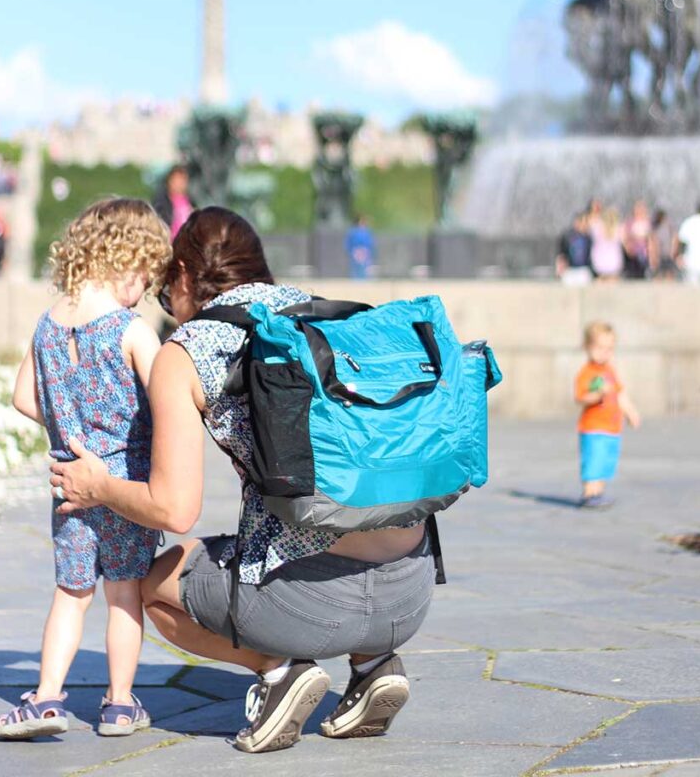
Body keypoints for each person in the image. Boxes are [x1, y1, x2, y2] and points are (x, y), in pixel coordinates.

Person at [50, 207, 433, 754]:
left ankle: (278, 674)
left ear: (183, 277)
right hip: (411, 591)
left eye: (165, 294)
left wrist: (98, 486)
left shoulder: (186, 350)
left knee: (154, 584)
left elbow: (173, 509)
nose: (167, 308)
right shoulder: (319, 312)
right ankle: (373, 665)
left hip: (312, 605)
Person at [0, 198, 171, 740]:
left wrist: (70, 430)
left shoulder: (47, 325)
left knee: (71, 593)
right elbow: (170, 402)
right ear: (128, 260)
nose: (145, 290)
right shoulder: (131, 330)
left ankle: (45, 697)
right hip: (122, 487)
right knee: (124, 593)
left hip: (68, 484)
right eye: (146, 277)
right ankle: (118, 705)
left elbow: (23, 397)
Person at [573, 322, 641, 509]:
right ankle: (589, 493)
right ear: (588, 347)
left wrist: (630, 411)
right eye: (600, 347)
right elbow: (580, 397)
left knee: (606, 462)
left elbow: (620, 394)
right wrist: (597, 395)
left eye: (609, 348)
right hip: (593, 427)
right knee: (593, 460)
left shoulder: (609, 371)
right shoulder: (587, 373)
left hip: (612, 427)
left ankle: (599, 492)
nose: (605, 352)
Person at [153, 165, 195, 240]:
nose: (179, 184)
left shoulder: (191, 201)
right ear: (169, 181)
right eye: (176, 181)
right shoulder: (162, 201)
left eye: (182, 181)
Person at [555, 211, 593, 285]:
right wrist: (559, 268)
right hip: (570, 270)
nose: (584, 225)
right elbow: (561, 254)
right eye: (582, 222)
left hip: (583, 270)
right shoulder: (567, 236)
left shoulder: (588, 238)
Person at [589, 207, 624, 281]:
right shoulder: (618, 229)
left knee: (602, 281)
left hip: (600, 263)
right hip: (613, 263)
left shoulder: (597, 227)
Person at [622, 200, 651, 280]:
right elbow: (625, 237)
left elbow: (651, 239)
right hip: (632, 253)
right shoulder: (629, 222)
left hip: (644, 254)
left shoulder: (648, 222)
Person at [649, 209, 679, 280]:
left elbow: (675, 239)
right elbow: (653, 243)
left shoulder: (668, 228)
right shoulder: (656, 229)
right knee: (659, 276)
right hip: (661, 256)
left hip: (667, 255)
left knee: (668, 275)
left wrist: (674, 252)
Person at [345, 214, 376, 279]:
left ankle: (364, 279)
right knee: (356, 265)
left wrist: (371, 250)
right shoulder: (353, 231)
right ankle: (356, 279)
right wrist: (349, 250)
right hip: (356, 250)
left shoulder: (367, 231)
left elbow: (370, 242)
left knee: (365, 265)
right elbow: (349, 242)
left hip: (365, 250)